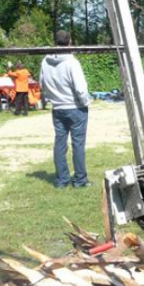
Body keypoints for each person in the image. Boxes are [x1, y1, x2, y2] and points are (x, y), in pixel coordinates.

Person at [40, 30, 93, 189]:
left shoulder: (45, 61)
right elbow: (81, 88)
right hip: (76, 108)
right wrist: (85, 102)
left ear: (55, 42)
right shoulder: (72, 62)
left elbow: (42, 83)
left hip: (57, 108)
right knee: (78, 145)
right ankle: (80, 180)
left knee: (60, 144)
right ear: (70, 42)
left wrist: (52, 98)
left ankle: (62, 180)